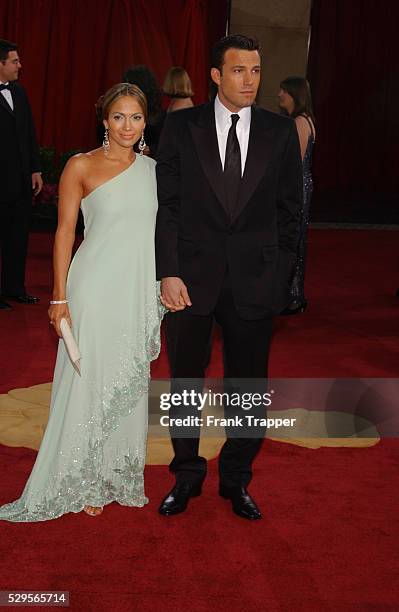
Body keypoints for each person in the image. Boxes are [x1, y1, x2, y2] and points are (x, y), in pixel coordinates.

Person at [0, 83, 164, 522]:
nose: (127, 126)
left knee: (126, 384)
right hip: (92, 287)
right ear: (103, 121)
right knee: (88, 381)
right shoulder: (81, 166)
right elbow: (64, 233)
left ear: (146, 121)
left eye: (136, 117)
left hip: (135, 290)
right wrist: (59, 297)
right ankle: (82, 476)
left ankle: (113, 474)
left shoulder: (153, 170)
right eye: (118, 117)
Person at [155, 35, 302, 520]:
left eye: (256, 71)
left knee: (246, 386)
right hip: (190, 280)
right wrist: (168, 272)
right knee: (184, 383)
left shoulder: (280, 133)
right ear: (216, 75)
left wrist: (280, 278)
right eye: (239, 71)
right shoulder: (179, 127)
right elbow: (168, 208)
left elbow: (289, 213)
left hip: (254, 280)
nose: (250, 81)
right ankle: (187, 475)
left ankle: (236, 479)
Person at [0, 38, 42, 311]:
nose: (19, 65)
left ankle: (15, 288)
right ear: (0, 63)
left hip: (21, 183)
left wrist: (36, 169)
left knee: (18, 237)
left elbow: (29, 134)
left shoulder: (20, 93)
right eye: (14, 61)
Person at [278, 76, 316, 314]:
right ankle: (293, 294)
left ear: (293, 94)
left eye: (283, 91)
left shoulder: (300, 123)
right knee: (296, 238)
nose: (279, 94)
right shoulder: (303, 120)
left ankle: (293, 295)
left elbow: (294, 162)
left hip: (297, 186)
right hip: (302, 184)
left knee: (293, 239)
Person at [123, 65, 166, 158]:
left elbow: (163, 143)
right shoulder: (125, 105)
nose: (126, 89)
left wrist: (150, 149)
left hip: (150, 160)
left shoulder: (155, 110)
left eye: (129, 84)